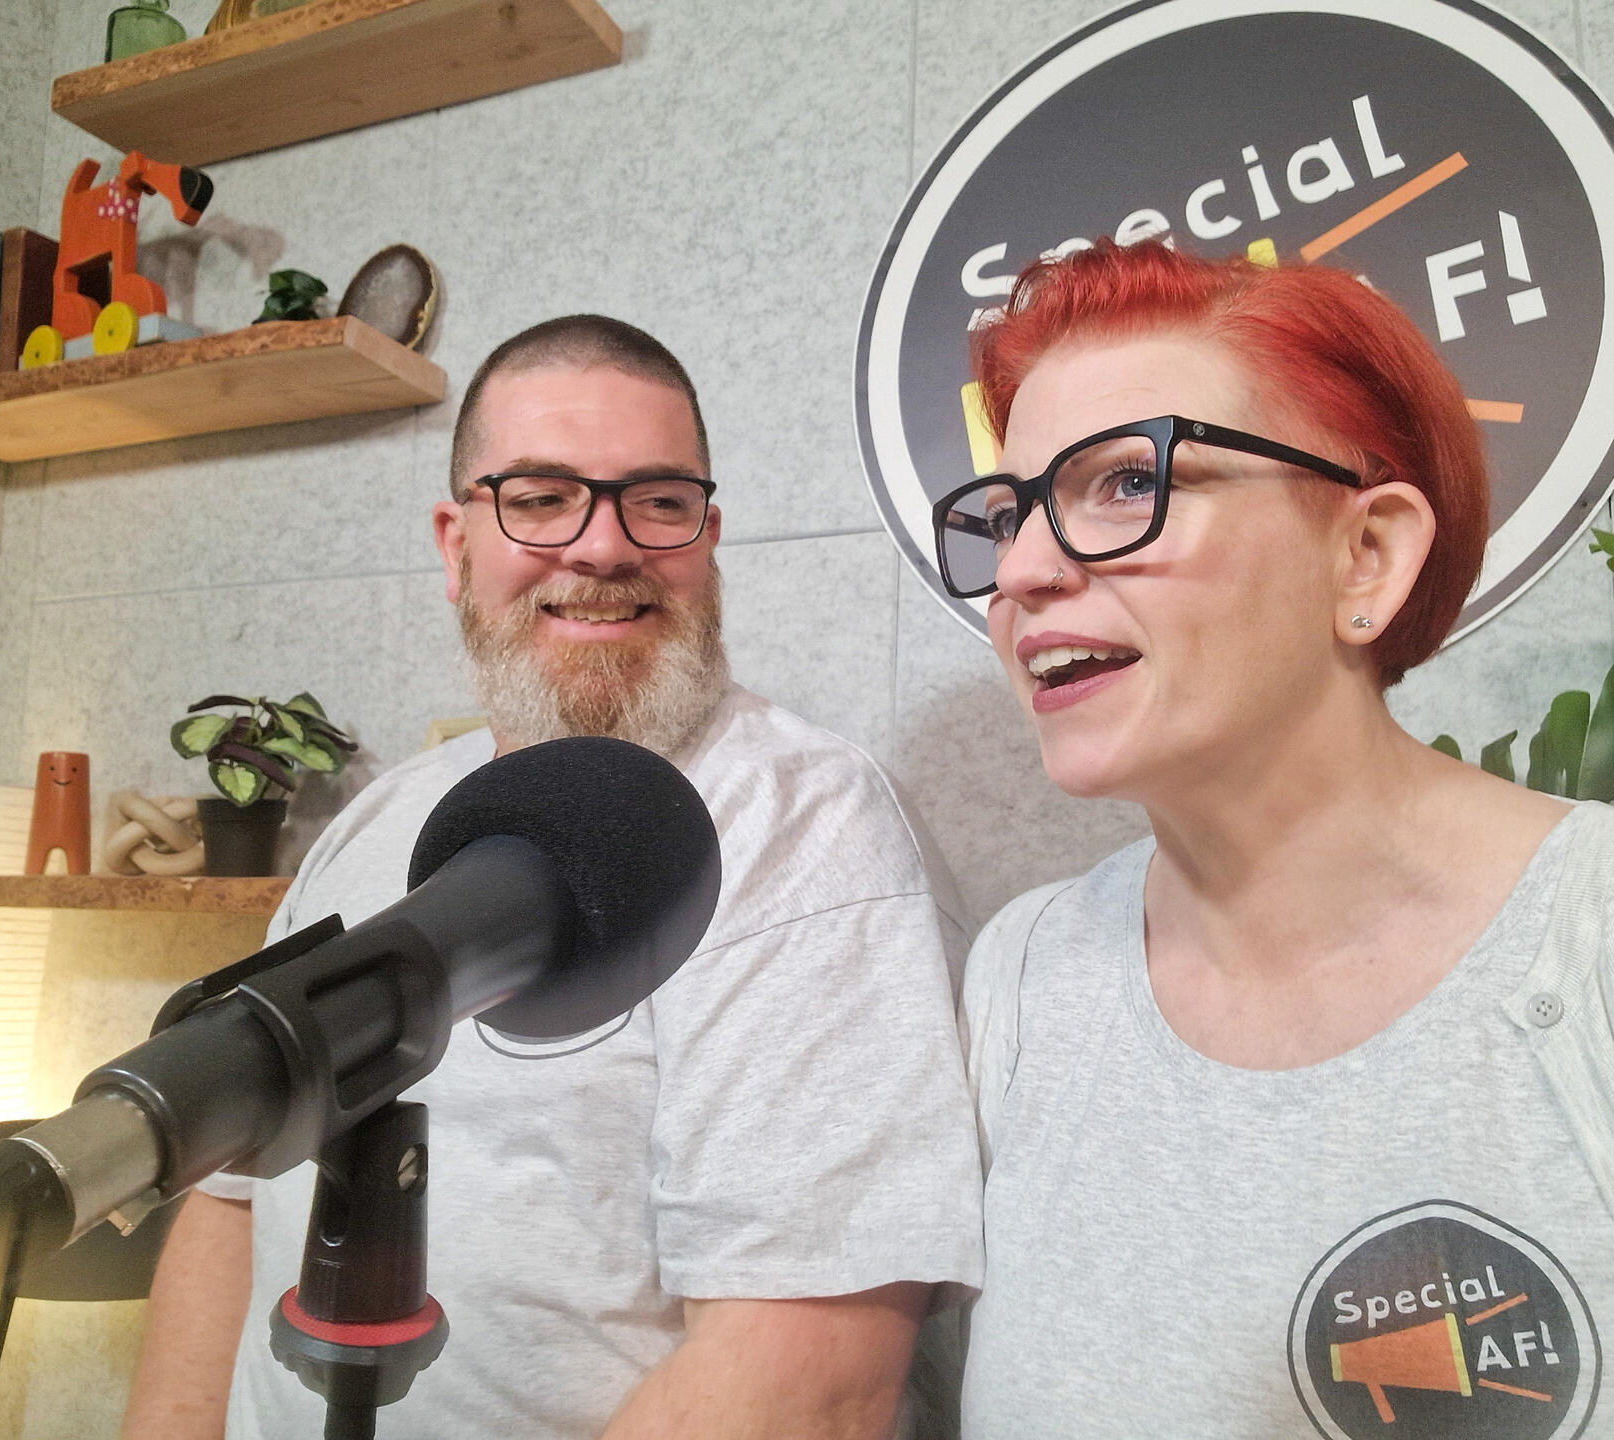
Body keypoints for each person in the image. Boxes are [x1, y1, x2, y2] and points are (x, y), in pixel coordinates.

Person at [121, 315, 983, 1440]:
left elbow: (804, 1386)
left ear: (709, 538)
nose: (605, 547)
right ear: (455, 545)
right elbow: (229, 1205)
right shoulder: (378, 820)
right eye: (539, 498)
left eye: (659, 501)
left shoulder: (802, 825)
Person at [936, 240, 1614, 1437]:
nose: (1024, 572)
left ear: (1366, 554)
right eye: (1007, 517)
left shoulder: (1591, 934)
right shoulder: (1024, 978)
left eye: (1128, 483)